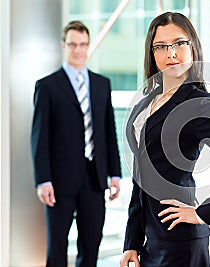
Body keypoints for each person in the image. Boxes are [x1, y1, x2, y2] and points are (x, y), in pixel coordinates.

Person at [119, 12, 210, 267]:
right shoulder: (144, 104)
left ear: (193, 47)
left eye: (179, 43)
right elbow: (140, 176)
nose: (170, 53)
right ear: (152, 53)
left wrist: (203, 213)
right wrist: (132, 242)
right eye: (160, 46)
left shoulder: (197, 103)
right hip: (151, 242)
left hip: (181, 242)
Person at [31, 20, 122, 267]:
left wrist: (115, 173)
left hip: (94, 178)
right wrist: (43, 180)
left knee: (91, 244)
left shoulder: (102, 84)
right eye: (73, 44)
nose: (78, 50)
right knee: (57, 247)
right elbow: (39, 138)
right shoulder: (48, 86)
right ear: (64, 45)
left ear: (88, 45)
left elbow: (108, 131)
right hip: (59, 181)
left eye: (83, 44)